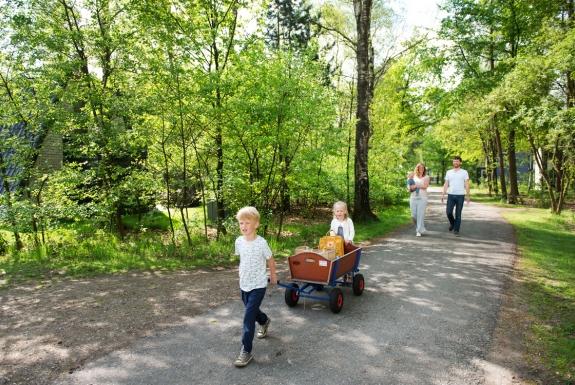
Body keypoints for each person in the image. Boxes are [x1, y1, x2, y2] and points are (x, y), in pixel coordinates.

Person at [233, 206, 277, 367]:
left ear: (256, 224)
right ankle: (264, 321)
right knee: (253, 312)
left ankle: (246, 351)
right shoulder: (238, 241)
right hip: (244, 284)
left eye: (247, 223)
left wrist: (273, 275)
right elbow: (242, 260)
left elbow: (270, 259)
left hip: (259, 284)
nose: (243, 226)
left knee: (248, 317)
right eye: (241, 223)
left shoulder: (261, 243)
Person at [441, 156, 470, 237]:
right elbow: (446, 183)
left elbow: (467, 184)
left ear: (460, 162)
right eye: (454, 161)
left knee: (458, 214)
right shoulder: (449, 172)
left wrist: (468, 196)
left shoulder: (464, 172)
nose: (455, 163)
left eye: (457, 161)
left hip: (461, 195)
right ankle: (453, 224)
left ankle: (456, 230)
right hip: (451, 195)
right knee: (448, 212)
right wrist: (443, 194)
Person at [408, 163, 430, 237]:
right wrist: (410, 188)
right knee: (413, 215)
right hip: (413, 197)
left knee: (420, 215)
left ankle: (418, 230)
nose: (421, 169)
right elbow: (409, 186)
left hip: (423, 198)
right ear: (417, 168)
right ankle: (420, 228)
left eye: (423, 168)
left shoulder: (426, 177)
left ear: (424, 169)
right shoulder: (412, 176)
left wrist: (416, 185)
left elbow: (425, 186)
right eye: (420, 168)